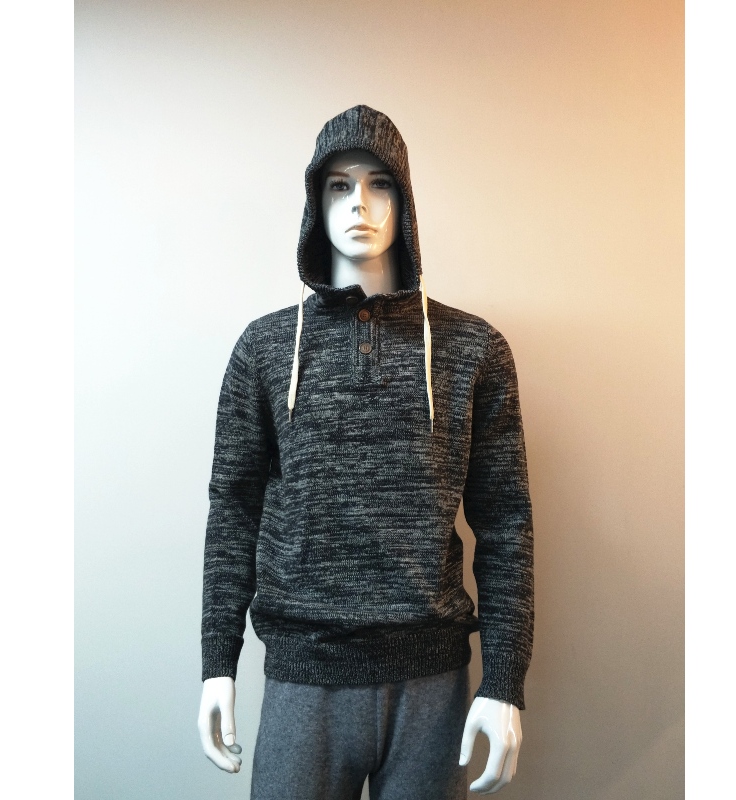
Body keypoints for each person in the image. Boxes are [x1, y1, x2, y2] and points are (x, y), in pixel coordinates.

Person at [198, 105, 534, 799]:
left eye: (380, 183)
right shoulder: (264, 350)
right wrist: (217, 663)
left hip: (433, 685)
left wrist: (504, 680)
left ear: (404, 201)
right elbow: (232, 511)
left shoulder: (474, 351)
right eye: (339, 186)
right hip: (305, 679)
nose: (360, 203)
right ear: (314, 203)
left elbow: (506, 522)